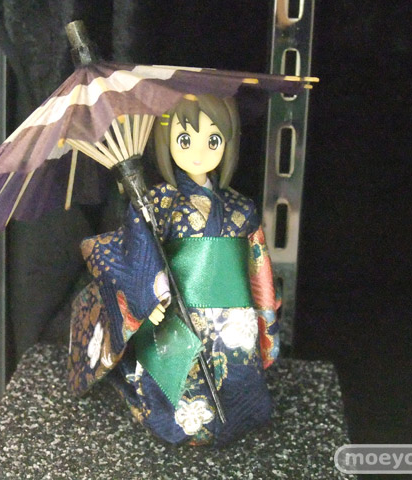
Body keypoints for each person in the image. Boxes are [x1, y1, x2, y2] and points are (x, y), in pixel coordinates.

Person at [68, 94, 279, 446]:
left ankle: (241, 416)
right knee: (181, 380)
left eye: (213, 140)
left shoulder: (242, 208)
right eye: (184, 139)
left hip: (234, 317)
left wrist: (263, 314)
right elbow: (136, 253)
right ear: (166, 142)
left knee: (239, 372)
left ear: (229, 144)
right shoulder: (160, 203)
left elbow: (258, 268)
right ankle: (178, 423)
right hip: (180, 314)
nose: (199, 151)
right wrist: (148, 300)